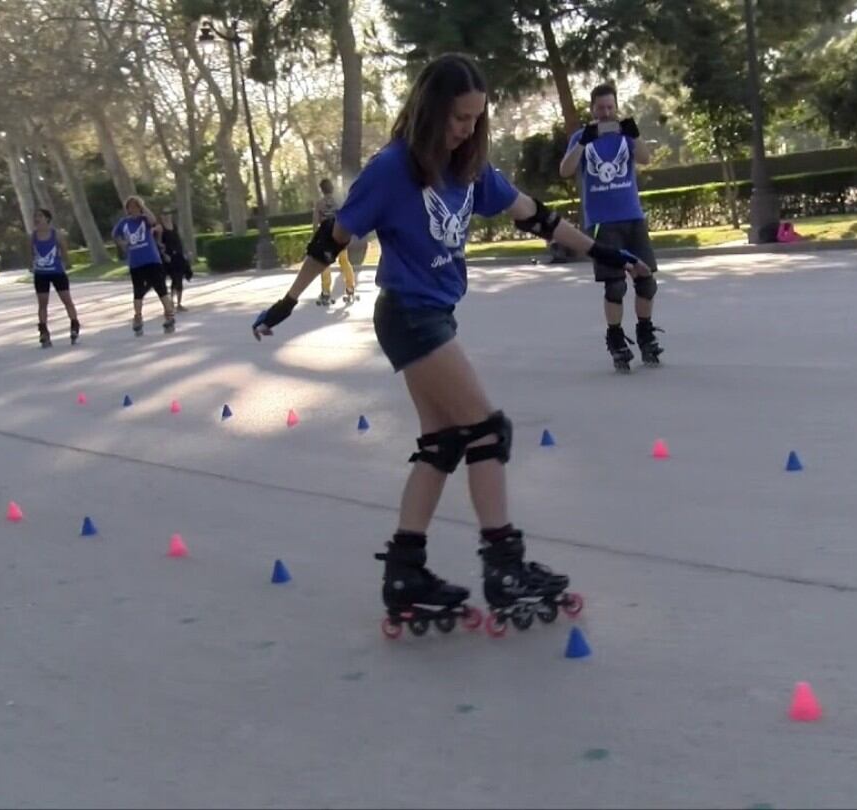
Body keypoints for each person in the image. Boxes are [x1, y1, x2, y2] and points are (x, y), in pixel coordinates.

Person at [252, 53, 650, 637]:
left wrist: (604, 252)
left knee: (442, 444)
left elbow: (535, 217)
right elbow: (330, 237)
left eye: (475, 119)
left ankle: (405, 574)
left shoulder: (470, 169)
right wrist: (288, 301)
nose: (467, 128)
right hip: (408, 315)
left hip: (433, 313)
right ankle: (504, 566)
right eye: (460, 117)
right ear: (433, 108)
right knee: (488, 430)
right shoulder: (391, 170)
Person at [559, 82, 663, 372]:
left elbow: (645, 158)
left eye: (610, 107)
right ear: (591, 109)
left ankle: (645, 332)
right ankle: (616, 338)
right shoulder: (583, 137)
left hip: (632, 217)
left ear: (615, 107)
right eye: (600, 108)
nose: (605, 113)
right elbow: (565, 170)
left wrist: (635, 135)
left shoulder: (625, 135)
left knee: (646, 281)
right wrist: (582, 142)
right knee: (615, 284)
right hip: (602, 223)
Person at [112, 195, 176, 336]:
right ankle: (138, 317)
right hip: (136, 262)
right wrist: (122, 244)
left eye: (136, 207)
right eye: (131, 207)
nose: (133, 209)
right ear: (127, 209)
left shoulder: (144, 220)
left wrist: (143, 206)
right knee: (138, 292)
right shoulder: (123, 223)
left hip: (152, 260)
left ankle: (170, 316)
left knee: (161, 289)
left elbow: (153, 220)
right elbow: (115, 235)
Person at [29, 208, 80, 347]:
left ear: (47, 219)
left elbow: (64, 250)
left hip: (57, 272)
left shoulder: (56, 234)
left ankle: (74, 324)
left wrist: (64, 263)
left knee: (67, 300)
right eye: (35, 216)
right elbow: (32, 252)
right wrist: (32, 265)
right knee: (42, 303)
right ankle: (43, 331)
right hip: (40, 274)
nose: (36, 219)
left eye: (39, 216)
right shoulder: (33, 236)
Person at [312, 177, 358, 307]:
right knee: (344, 262)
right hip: (340, 234)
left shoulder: (319, 204)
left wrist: (315, 237)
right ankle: (350, 287)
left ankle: (326, 291)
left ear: (322, 190)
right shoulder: (339, 201)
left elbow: (315, 222)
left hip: (327, 237)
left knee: (325, 263)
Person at [158, 210, 192, 313]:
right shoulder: (160, 228)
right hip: (169, 257)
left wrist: (186, 252)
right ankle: (171, 303)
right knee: (174, 278)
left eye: (168, 214)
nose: (167, 216)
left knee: (180, 279)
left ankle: (179, 303)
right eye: (165, 214)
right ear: (161, 216)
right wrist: (164, 255)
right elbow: (159, 243)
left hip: (179, 255)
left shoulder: (175, 226)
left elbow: (179, 240)